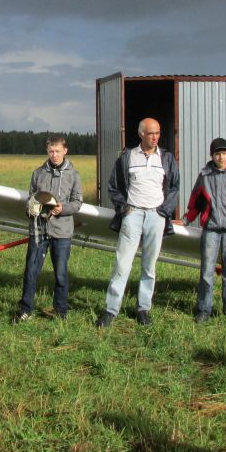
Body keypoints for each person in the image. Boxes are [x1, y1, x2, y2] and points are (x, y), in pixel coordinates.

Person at [97, 118, 179, 328]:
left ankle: (143, 309)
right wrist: (124, 208)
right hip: (132, 214)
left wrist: (164, 212)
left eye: (158, 133)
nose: (155, 137)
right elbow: (114, 186)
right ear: (141, 133)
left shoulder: (167, 158)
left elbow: (174, 187)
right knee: (122, 265)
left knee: (149, 266)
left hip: (156, 216)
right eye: (151, 133)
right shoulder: (128, 157)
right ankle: (111, 310)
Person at [14, 135, 84, 323]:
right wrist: (30, 208)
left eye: (58, 151)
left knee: (60, 272)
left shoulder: (74, 175)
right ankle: (25, 309)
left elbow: (78, 202)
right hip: (39, 230)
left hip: (62, 231)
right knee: (31, 270)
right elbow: (31, 198)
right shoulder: (38, 173)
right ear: (47, 151)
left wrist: (63, 209)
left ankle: (60, 310)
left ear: (65, 151)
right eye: (51, 151)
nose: (54, 155)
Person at [184, 137, 226, 323]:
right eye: (217, 153)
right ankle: (204, 310)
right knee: (207, 271)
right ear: (211, 155)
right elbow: (195, 202)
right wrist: (185, 220)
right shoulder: (204, 176)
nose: (221, 157)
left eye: (224, 153)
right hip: (211, 230)